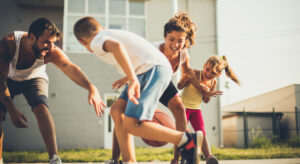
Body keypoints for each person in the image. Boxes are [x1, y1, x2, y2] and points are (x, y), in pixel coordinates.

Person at [73, 16, 204, 164]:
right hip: (148, 70)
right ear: (101, 27)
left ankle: (187, 140)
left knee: (132, 124)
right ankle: (128, 160)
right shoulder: (106, 33)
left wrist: (132, 78)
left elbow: (117, 47)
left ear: (82, 42)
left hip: (151, 69)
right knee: (117, 110)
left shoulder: (95, 40)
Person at [108, 12, 222, 164]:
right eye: (171, 40)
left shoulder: (183, 54)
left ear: (185, 41)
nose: (175, 44)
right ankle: (115, 159)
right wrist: (127, 78)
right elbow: (134, 65)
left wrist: (202, 89)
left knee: (180, 108)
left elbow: (187, 72)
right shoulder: (153, 49)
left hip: (163, 81)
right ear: (165, 37)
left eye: (180, 41)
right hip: (143, 78)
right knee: (120, 112)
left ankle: (181, 157)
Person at [0, 18, 105, 164]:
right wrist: (11, 110)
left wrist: (91, 88)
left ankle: (54, 158)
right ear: (32, 37)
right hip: (7, 80)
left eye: (53, 42)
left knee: (41, 107)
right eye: (46, 42)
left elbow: (70, 68)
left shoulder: (52, 52)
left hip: (34, 77)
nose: (50, 47)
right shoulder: (9, 43)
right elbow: (1, 80)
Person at [177, 55, 240, 164]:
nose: (209, 74)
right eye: (207, 70)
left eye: (213, 73)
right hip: (184, 107)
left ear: (219, 74)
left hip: (196, 109)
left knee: (201, 132)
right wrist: (184, 79)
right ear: (204, 65)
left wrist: (208, 94)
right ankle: (177, 158)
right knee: (181, 133)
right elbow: (179, 86)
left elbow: (205, 101)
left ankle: (209, 157)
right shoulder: (195, 73)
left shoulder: (213, 82)